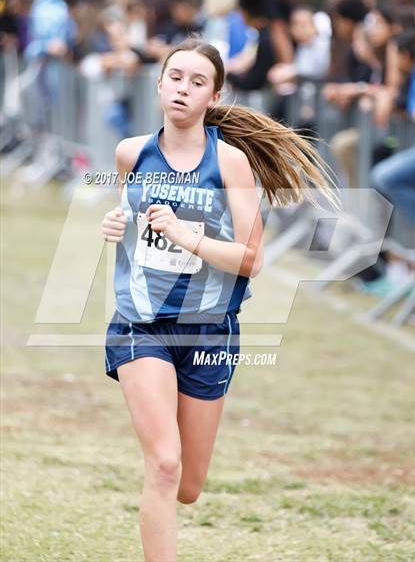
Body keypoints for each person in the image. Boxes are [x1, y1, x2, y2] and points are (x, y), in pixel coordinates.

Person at [100, 36, 340, 561]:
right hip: (141, 323)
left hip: (210, 329)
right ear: (159, 83)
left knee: (188, 484)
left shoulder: (230, 164)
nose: (184, 89)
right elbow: (135, 225)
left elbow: (251, 260)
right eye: (176, 77)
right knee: (164, 464)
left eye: (198, 82)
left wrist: (189, 238)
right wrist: (116, 223)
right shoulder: (131, 153)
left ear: (213, 96)